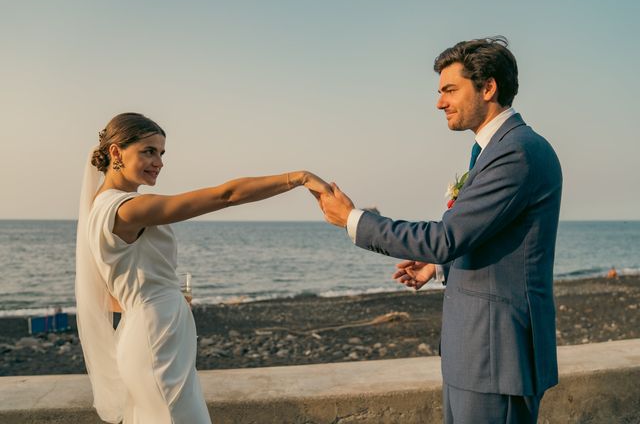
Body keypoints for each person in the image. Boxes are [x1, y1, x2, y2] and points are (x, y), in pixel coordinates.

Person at [317, 37, 562, 423]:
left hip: (497, 357)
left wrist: (353, 219)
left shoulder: (517, 152)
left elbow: (445, 238)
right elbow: (488, 239)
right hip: (478, 354)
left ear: (487, 87)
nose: (439, 102)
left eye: (450, 90)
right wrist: (437, 267)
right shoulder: (494, 150)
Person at [75, 112, 330, 424]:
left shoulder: (99, 208)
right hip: (156, 339)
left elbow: (108, 292)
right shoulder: (128, 209)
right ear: (116, 152)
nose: (159, 162)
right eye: (148, 151)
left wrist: (158, 299)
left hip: (150, 331)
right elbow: (226, 195)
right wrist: (298, 178)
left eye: (161, 153)